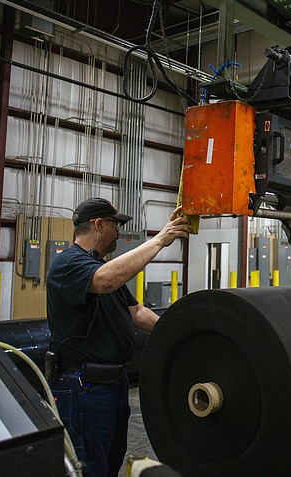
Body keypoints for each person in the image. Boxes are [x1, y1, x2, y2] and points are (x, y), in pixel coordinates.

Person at [46, 197, 190, 477]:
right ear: (98, 225)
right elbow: (104, 281)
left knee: (109, 464)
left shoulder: (100, 266)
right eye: (116, 224)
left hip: (112, 385)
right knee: (90, 467)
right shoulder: (69, 264)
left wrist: (177, 332)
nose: (120, 231)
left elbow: (136, 313)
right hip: (83, 387)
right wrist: (160, 240)